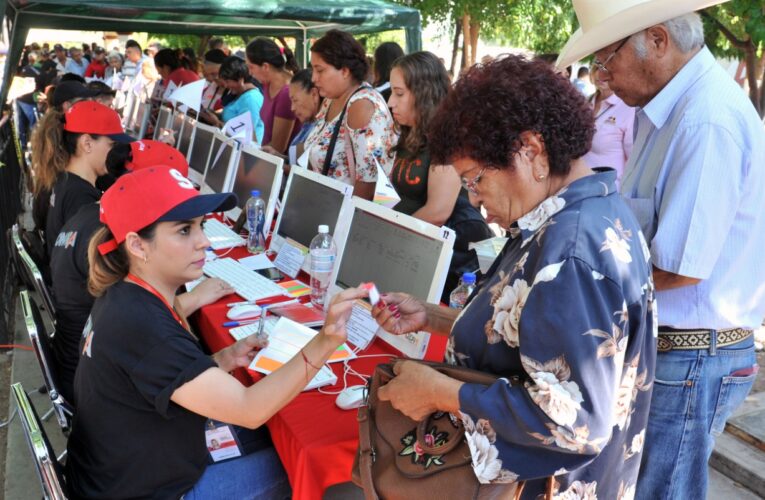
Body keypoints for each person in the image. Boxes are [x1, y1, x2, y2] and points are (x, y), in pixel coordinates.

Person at [353, 54, 656, 499]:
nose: (473, 199)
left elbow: (573, 422)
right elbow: (530, 328)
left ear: (530, 150)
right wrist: (436, 317)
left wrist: (441, 393)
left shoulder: (571, 251)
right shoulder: (579, 211)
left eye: (475, 179)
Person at [557, 3, 765, 499]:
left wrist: (574, 283)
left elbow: (676, 267)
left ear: (656, 40)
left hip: (693, 355)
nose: (602, 77)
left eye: (606, 60)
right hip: (676, 351)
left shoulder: (703, 119)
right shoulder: (665, 108)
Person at [66, 165, 362, 499]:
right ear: (137, 245)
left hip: (125, 472)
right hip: (150, 489)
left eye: (201, 226)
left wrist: (222, 359)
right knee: (327, 478)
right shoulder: (141, 324)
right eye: (183, 231)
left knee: (278, 437)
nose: (203, 241)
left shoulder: (125, 295)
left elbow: (159, 378)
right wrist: (327, 340)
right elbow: (250, 409)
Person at [49, 140, 212, 403]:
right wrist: (198, 296)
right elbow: (247, 408)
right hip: (92, 384)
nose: (205, 241)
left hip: (79, 368)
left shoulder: (94, 217)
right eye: (183, 225)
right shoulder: (120, 269)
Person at [387, 51, 492, 302]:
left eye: (399, 93)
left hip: (444, 266)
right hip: (415, 255)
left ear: (424, 93)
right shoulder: (410, 136)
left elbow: (438, 212)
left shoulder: (446, 139)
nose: (391, 102)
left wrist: (389, 237)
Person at [303, 29, 397, 199]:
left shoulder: (362, 106)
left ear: (345, 71)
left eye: (320, 70)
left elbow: (369, 182)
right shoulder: (331, 99)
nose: (314, 78)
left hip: (344, 216)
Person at [38, 100, 133, 255]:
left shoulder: (64, 180)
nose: (116, 153)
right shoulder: (81, 197)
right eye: (112, 145)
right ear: (87, 143)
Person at [245, 38, 300, 154]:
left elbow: (278, 147)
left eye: (251, 67)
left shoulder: (286, 93)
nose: (249, 73)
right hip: (267, 158)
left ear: (265, 66)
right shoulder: (267, 85)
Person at [581, 65, 634, 184]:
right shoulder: (584, 103)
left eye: (607, 67)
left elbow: (633, 160)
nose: (600, 74)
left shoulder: (628, 108)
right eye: (597, 67)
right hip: (581, 186)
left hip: (608, 191)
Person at [262, 68, 323, 168]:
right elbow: (296, 162)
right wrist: (278, 156)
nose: (292, 108)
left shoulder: (322, 130)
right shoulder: (308, 124)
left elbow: (309, 173)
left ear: (314, 95)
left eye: (295, 100)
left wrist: (281, 165)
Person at [213, 56, 265, 143]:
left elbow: (246, 134)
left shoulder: (251, 99)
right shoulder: (238, 94)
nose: (225, 85)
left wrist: (217, 122)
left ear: (240, 79)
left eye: (227, 81)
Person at [200, 49, 226, 114]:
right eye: (206, 75)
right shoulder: (208, 88)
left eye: (214, 74)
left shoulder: (234, 93)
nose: (211, 79)